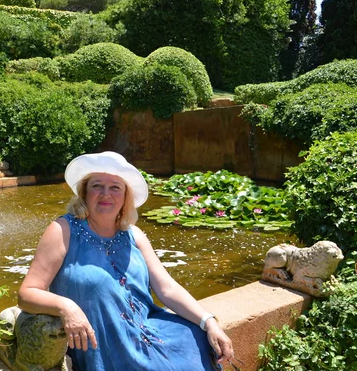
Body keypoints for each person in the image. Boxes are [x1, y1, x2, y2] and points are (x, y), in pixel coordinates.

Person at [18, 151, 234, 371]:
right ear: (84, 191)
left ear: (125, 197)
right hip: (104, 348)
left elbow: (166, 288)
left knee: (196, 339)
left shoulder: (134, 234)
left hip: (145, 333)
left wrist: (208, 321)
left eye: (115, 187)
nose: (105, 194)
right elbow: (27, 293)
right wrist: (66, 307)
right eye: (97, 186)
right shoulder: (63, 230)